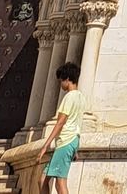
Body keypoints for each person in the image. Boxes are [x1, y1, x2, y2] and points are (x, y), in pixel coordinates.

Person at [40, 61, 83, 193]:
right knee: (42, 180)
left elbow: (60, 122)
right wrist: (75, 148)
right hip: (71, 141)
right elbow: (77, 123)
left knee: (60, 182)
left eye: (61, 81)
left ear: (68, 79)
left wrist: (45, 145)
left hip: (66, 141)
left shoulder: (69, 98)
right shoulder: (81, 97)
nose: (60, 84)